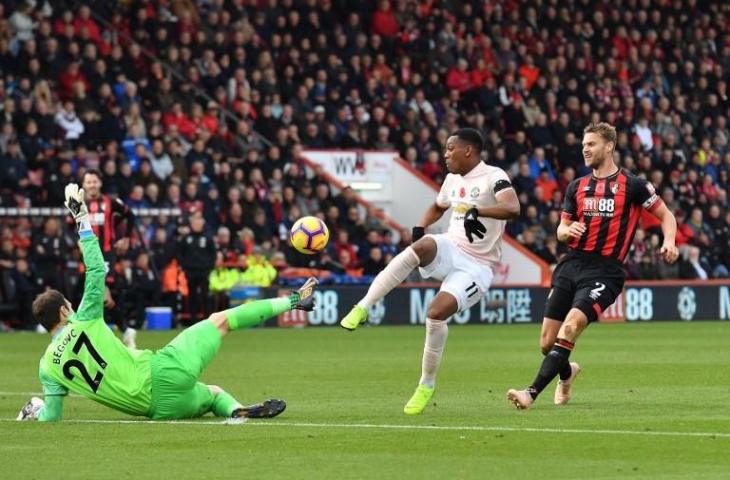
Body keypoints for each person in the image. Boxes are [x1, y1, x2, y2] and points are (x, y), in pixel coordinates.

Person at [17, 183, 318, 422]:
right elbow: (96, 269)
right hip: (162, 371)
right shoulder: (83, 319)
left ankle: (236, 410)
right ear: (64, 310)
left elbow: (52, 417)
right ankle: (296, 300)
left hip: (156, 409)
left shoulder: (47, 367)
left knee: (212, 394)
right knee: (221, 320)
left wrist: (36, 411)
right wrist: (81, 218)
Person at [339, 128, 520, 415]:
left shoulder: (493, 176)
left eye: (450, 149)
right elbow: (438, 206)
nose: (445, 154)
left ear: (468, 151)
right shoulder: (451, 180)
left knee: (435, 314)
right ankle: (362, 307)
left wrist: (478, 210)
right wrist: (419, 227)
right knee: (421, 246)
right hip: (452, 248)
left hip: (477, 266)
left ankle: (426, 384)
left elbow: (512, 207)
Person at [506, 122, 679, 409]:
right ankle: (568, 373)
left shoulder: (633, 185)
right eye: (584, 144)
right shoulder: (577, 186)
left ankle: (530, 393)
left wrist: (669, 241)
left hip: (605, 272)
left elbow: (666, 215)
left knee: (571, 326)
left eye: (591, 144)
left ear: (609, 146)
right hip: (571, 265)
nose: (585, 149)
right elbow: (561, 229)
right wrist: (567, 230)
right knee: (548, 344)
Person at [81, 169, 138, 348]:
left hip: (105, 253)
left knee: (98, 293)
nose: (91, 185)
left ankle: (95, 337)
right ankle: (126, 329)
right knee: (103, 297)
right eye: (88, 182)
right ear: (84, 185)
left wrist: (126, 238)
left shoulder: (111, 203)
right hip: (89, 255)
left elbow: (130, 215)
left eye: (94, 181)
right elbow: (71, 226)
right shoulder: (80, 205)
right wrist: (77, 242)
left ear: (100, 183)